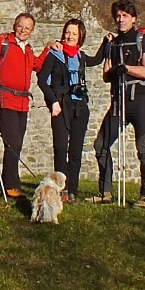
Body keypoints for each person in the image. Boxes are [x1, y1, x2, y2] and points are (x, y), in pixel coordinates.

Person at [87, 0, 145, 209]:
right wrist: (113, 67)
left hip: (140, 101)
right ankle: (105, 192)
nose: (120, 19)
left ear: (133, 19)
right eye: (118, 16)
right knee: (101, 145)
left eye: (125, 15)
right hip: (119, 100)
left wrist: (124, 68)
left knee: (143, 149)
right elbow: (106, 76)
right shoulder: (113, 43)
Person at [0, 13, 45, 199]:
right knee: (13, 142)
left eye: (27, 28)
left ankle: (8, 181)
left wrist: (49, 48)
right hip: (5, 98)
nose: (23, 30)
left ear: (32, 31)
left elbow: (37, 65)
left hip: (22, 103)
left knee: (16, 144)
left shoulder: (28, 50)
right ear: (14, 25)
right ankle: (11, 185)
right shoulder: (3, 42)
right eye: (20, 26)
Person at [37, 19, 99, 203]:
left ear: (80, 36)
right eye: (67, 32)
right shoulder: (55, 54)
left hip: (80, 108)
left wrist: (107, 43)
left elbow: (98, 59)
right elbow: (41, 80)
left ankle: (72, 191)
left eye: (74, 33)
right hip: (60, 107)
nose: (70, 36)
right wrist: (53, 101)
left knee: (75, 151)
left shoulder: (81, 57)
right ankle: (59, 190)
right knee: (60, 148)